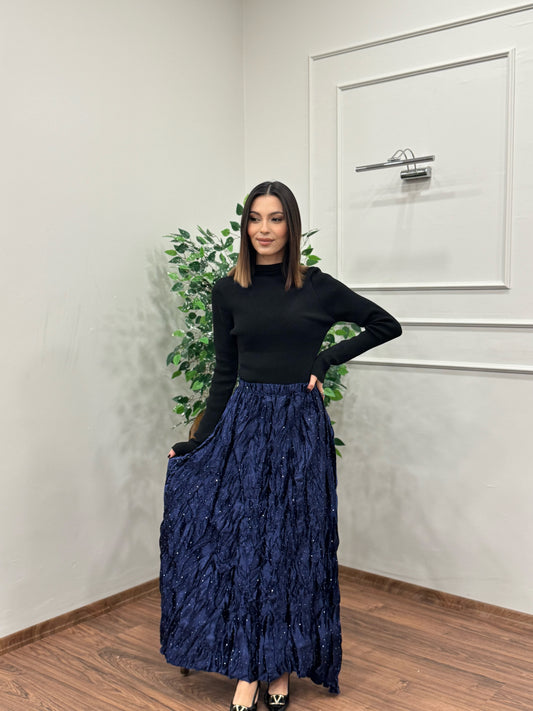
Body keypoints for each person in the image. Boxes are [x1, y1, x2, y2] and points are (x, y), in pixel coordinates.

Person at [159, 181, 402, 711]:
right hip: (245, 426)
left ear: (291, 226)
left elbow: (386, 324)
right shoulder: (227, 291)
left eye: (275, 219)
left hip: (299, 428)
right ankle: (250, 668)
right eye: (254, 218)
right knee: (248, 547)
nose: (263, 229)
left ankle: (281, 665)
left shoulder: (317, 287)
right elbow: (225, 375)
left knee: (292, 545)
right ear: (244, 226)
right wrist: (198, 443)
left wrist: (325, 360)